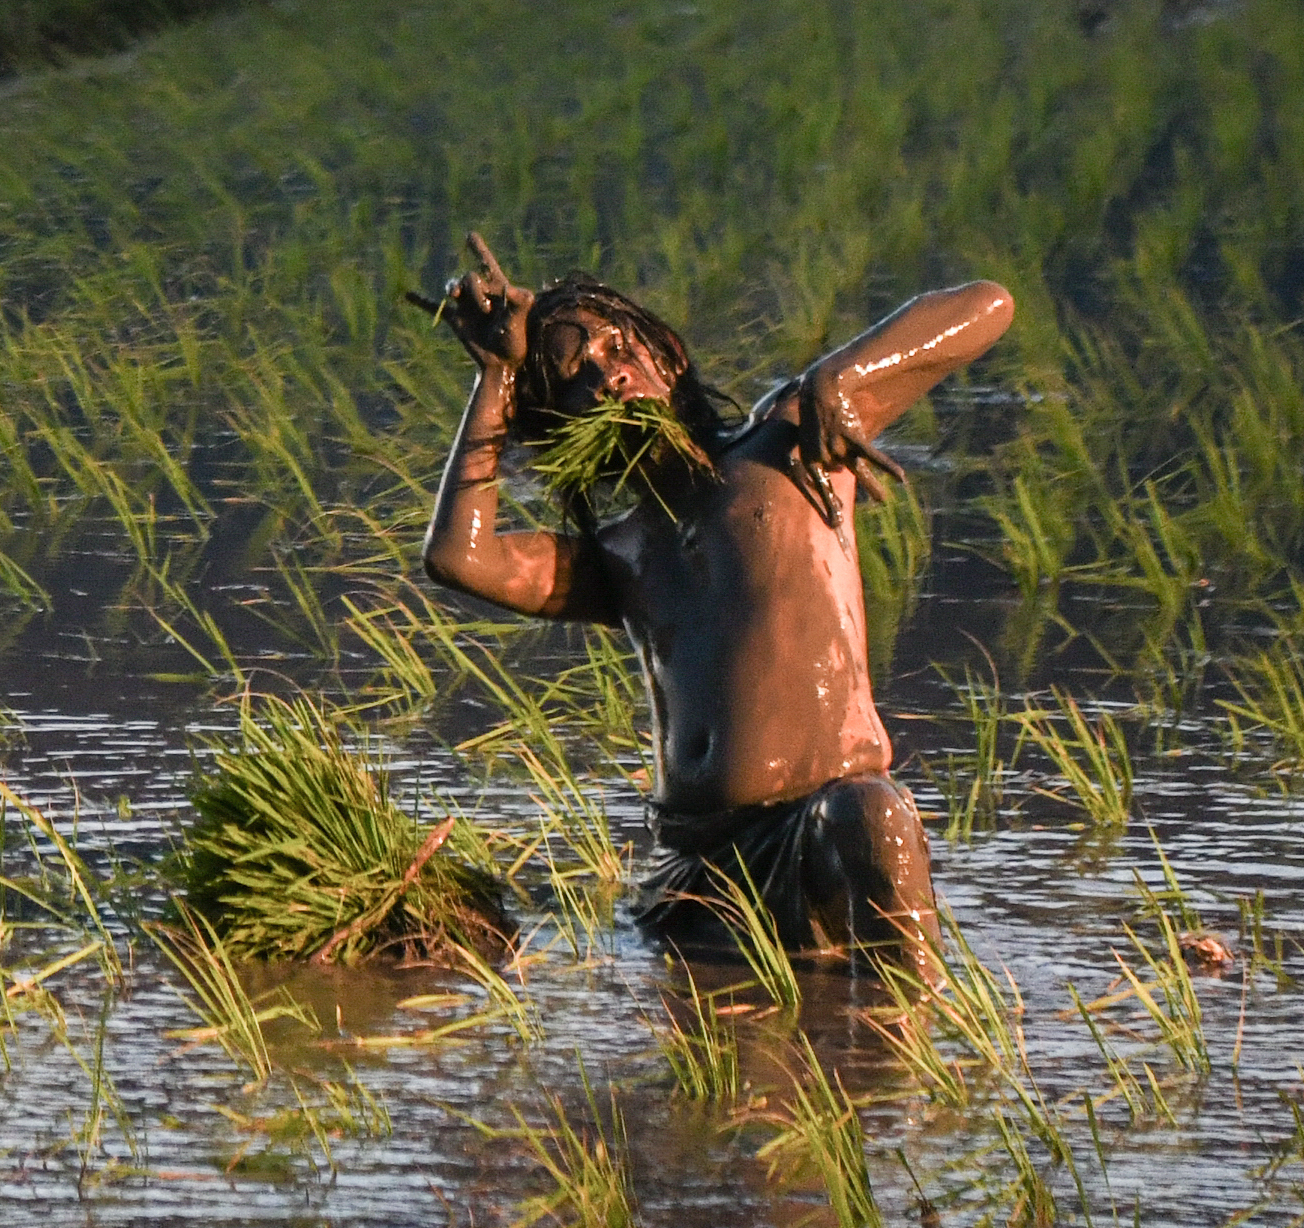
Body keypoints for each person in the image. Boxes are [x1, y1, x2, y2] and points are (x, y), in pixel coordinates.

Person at [415, 232, 1015, 960]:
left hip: (820, 828)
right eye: (577, 379)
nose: (608, 378)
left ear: (664, 356)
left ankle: (911, 1048)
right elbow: (458, 556)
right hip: (697, 865)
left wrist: (843, 375)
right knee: (721, 1050)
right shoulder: (621, 554)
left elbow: (989, 304)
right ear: (562, 429)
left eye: (616, 350)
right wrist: (497, 376)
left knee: (873, 815)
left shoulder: (783, 445)